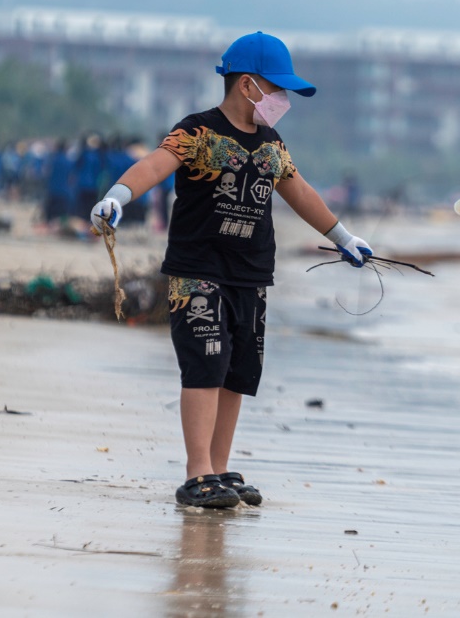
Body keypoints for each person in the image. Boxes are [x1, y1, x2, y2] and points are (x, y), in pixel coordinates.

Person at [88, 31, 374, 509]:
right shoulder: (198, 132)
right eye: (276, 88)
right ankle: (196, 471)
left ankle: (218, 468)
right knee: (205, 364)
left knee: (237, 371)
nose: (281, 99)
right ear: (247, 85)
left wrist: (343, 237)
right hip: (198, 270)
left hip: (251, 274)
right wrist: (116, 197)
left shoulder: (271, 143)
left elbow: (299, 191)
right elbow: (156, 165)